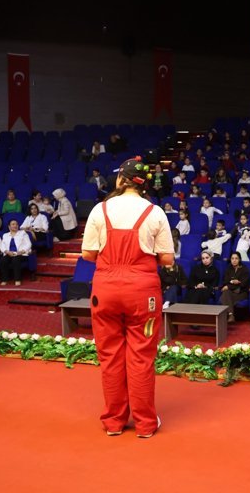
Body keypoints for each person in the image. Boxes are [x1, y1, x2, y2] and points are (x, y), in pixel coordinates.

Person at [81, 157, 174, 438]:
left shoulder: (101, 209)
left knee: (109, 355)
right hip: (141, 292)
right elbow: (167, 259)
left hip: (105, 290)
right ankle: (145, 424)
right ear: (143, 182)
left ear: (121, 179)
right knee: (141, 356)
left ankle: (114, 422)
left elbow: (87, 254)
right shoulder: (155, 212)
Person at [0, 219, 32, 286]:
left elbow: (29, 244)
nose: (15, 225)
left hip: (21, 254)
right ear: (9, 226)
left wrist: (21, 251)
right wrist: (6, 251)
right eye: (13, 224)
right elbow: (2, 246)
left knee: (16, 260)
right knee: (3, 260)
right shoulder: (5, 235)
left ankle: (17, 279)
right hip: (9, 253)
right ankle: (4, 279)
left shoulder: (23, 233)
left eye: (16, 224)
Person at [220, 252, 250, 322]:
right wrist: (234, 283)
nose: (234, 260)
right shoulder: (228, 268)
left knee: (223, 297)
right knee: (226, 293)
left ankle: (227, 316)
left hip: (241, 293)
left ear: (239, 259)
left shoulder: (244, 269)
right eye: (232, 258)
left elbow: (243, 284)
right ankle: (231, 315)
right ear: (230, 259)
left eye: (236, 258)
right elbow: (225, 282)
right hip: (231, 292)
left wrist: (230, 285)